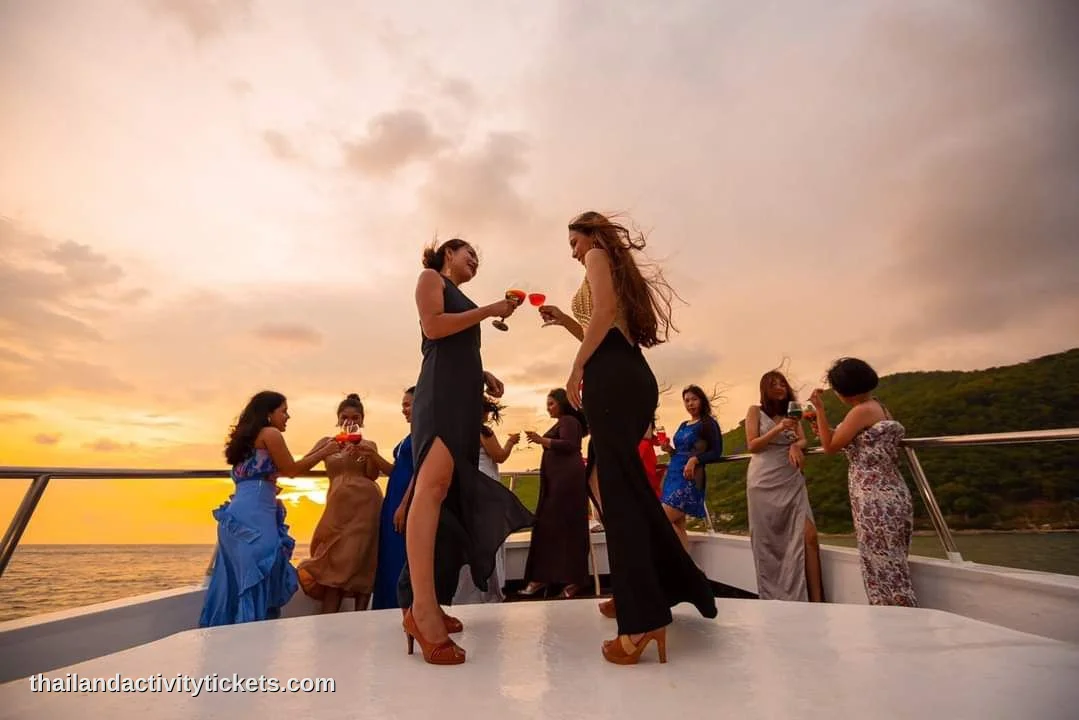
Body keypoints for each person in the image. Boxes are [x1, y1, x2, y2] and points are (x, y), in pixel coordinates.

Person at [539, 211, 717, 665]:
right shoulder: (606, 265)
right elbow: (603, 329)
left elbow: (602, 317)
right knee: (607, 484)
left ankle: (641, 620)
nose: (573, 251)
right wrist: (565, 323)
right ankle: (646, 588)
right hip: (619, 375)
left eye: (573, 241)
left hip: (613, 380)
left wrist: (577, 367)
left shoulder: (598, 254)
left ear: (591, 235)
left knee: (617, 493)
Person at [401, 238, 534, 665]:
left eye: (479, 256)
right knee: (433, 489)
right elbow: (434, 329)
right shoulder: (429, 278)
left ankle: (428, 604)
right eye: (468, 253)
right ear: (446, 255)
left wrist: (484, 374)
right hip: (439, 394)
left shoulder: (464, 298)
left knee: (445, 495)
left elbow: (455, 344)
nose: (474, 259)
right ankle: (420, 610)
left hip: (460, 396)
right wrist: (489, 311)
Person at [199, 391, 340, 626]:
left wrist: (318, 450)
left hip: (236, 517)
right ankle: (252, 634)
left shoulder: (246, 441)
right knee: (260, 572)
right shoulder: (270, 433)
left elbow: (278, 469)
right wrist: (325, 452)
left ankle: (234, 636)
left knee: (238, 581)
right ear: (268, 414)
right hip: (256, 519)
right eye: (283, 411)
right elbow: (292, 470)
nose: (288, 416)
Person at [808, 357, 917, 607]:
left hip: (874, 499)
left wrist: (820, 410)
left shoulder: (860, 411)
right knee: (893, 568)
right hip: (893, 492)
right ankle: (904, 625)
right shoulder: (878, 407)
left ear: (844, 389)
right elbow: (843, 438)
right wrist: (819, 423)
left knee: (881, 571)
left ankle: (897, 626)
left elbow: (830, 446)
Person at [296, 394, 383, 613]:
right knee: (333, 562)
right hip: (337, 508)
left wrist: (368, 456)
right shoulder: (327, 442)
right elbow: (302, 466)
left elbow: (372, 475)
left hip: (366, 505)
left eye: (355, 417)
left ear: (362, 421)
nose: (350, 421)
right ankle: (328, 620)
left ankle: (361, 617)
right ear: (338, 419)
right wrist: (326, 451)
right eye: (345, 417)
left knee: (363, 559)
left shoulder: (369, 444)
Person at [745, 371, 823, 602]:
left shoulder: (794, 410)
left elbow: (802, 438)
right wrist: (778, 429)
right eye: (773, 384)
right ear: (765, 389)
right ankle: (774, 597)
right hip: (763, 481)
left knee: (809, 536)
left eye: (782, 383)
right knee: (767, 542)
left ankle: (817, 600)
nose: (779, 387)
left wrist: (796, 446)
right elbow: (753, 446)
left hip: (790, 477)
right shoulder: (755, 411)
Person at [519, 388, 590, 600]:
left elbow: (570, 445)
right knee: (553, 528)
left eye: (551, 403)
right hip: (559, 482)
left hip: (565, 484)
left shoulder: (568, 420)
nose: (548, 408)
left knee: (557, 527)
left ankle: (571, 580)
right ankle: (547, 577)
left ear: (562, 403)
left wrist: (542, 441)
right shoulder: (564, 421)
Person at [453, 397, 520, 604]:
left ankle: (468, 591)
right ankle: (490, 590)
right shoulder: (483, 431)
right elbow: (499, 456)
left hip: (469, 486)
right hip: (487, 485)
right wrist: (511, 442)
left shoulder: (460, 431)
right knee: (490, 536)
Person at [659, 385, 723, 552]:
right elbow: (679, 453)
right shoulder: (683, 425)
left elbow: (716, 452)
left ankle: (687, 571)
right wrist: (669, 449)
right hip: (673, 476)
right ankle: (689, 570)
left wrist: (695, 459)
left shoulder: (708, 424)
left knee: (660, 520)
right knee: (678, 526)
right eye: (687, 401)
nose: (690, 404)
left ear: (702, 400)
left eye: (694, 399)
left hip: (689, 479)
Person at [368, 386, 415, 610]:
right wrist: (370, 455)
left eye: (408, 404)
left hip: (406, 500)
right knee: (388, 555)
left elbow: (420, 472)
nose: (404, 410)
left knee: (401, 555)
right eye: (403, 406)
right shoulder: (409, 436)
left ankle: (401, 607)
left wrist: (405, 505)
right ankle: (386, 607)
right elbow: (394, 470)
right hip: (394, 497)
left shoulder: (425, 434)